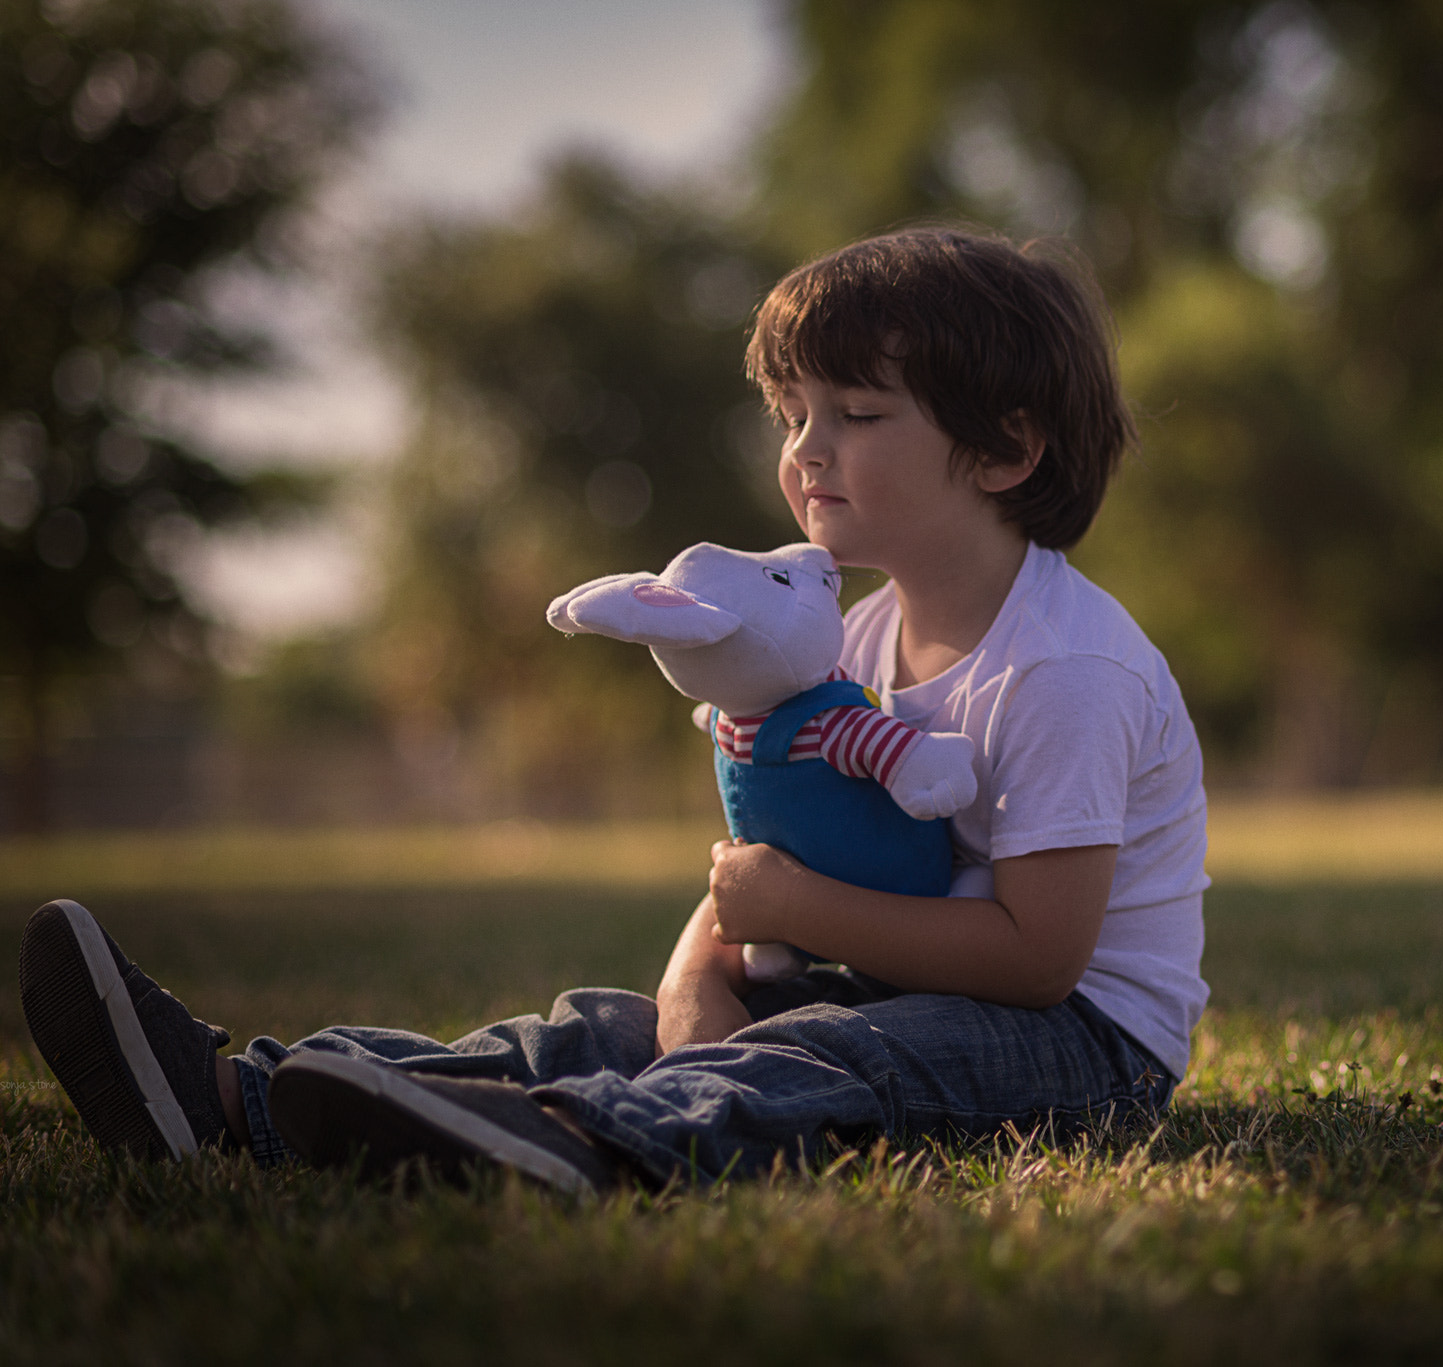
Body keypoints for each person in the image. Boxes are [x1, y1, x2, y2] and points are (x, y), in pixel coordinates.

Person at [17, 227, 1210, 1194]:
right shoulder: (845, 635)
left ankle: (575, 1144)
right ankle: (234, 1099)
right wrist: (698, 976)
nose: (804, 451)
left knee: (836, 1056)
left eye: (855, 412)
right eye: (793, 414)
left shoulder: (1063, 668)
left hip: (1079, 1047)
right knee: (607, 1020)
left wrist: (788, 908)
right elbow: (766, 852)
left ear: (1003, 449)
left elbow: (1040, 959)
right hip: (896, 977)